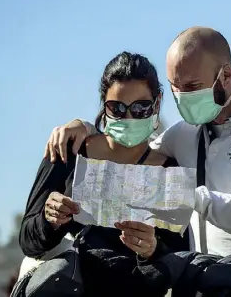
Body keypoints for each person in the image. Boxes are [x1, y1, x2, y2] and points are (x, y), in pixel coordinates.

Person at [45, 27, 231, 259]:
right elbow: (131, 147)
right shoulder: (183, 133)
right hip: (204, 282)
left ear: (226, 75)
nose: (183, 96)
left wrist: (190, 197)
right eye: (175, 86)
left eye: (193, 86)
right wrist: (87, 126)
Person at [20, 51, 189, 297]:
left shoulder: (169, 171)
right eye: (117, 108)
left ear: (157, 103)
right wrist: (49, 220)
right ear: (103, 105)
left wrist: (152, 249)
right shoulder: (69, 151)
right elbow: (28, 240)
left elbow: (179, 261)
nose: (128, 117)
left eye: (140, 108)